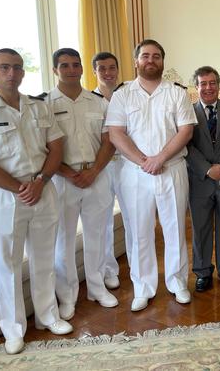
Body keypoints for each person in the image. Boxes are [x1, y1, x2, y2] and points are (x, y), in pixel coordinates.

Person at [0, 48, 72, 355]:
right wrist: (21, 188)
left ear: (23, 73)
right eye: (5, 67)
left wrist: (40, 182)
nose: (12, 73)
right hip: (4, 197)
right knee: (8, 264)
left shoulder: (38, 107)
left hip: (42, 187)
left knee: (43, 258)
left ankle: (48, 316)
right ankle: (13, 329)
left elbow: (56, 149)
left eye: (17, 68)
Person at [105, 39, 196, 311]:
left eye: (156, 56)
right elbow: (115, 133)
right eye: (146, 56)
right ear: (136, 61)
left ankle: (177, 282)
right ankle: (143, 287)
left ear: (163, 61)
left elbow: (186, 131)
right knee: (139, 231)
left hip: (172, 169)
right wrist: (144, 161)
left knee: (175, 228)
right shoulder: (122, 95)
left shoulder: (177, 93)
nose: (151, 60)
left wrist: (160, 158)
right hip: (135, 173)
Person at [46, 48, 117, 321]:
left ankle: (97, 288)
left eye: (76, 64)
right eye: (64, 65)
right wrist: (67, 173)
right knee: (63, 240)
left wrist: (94, 171)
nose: (71, 70)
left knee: (97, 235)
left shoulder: (97, 103)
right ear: (55, 70)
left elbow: (109, 141)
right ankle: (67, 297)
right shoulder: (45, 104)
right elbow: (44, 147)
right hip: (63, 180)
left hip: (96, 176)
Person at [187, 66, 220, 291]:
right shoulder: (188, 112)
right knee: (200, 228)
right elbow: (186, 145)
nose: (208, 88)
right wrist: (208, 169)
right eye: (203, 84)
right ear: (196, 87)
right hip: (200, 180)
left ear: (219, 85)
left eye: (212, 83)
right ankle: (202, 271)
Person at [92, 51, 127, 291]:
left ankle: (138, 267)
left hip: (127, 165)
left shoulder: (127, 95)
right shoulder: (89, 100)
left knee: (133, 216)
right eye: (102, 68)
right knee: (103, 221)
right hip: (102, 167)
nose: (107, 72)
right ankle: (108, 270)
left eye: (111, 67)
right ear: (95, 71)